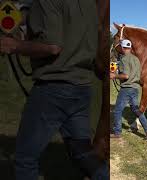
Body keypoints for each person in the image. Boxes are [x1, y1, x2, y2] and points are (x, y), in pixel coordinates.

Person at [0, 0, 108, 179]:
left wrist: (13, 45)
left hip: (53, 88)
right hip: (81, 88)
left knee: (25, 159)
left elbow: (52, 47)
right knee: (82, 153)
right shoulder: (89, 3)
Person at [110, 39, 147, 141]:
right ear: (130, 48)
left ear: (122, 47)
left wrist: (114, 75)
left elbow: (125, 76)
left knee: (117, 110)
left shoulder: (124, 59)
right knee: (136, 110)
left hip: (126, 88)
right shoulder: (136, 59)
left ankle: (117, 132)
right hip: (135, 88)